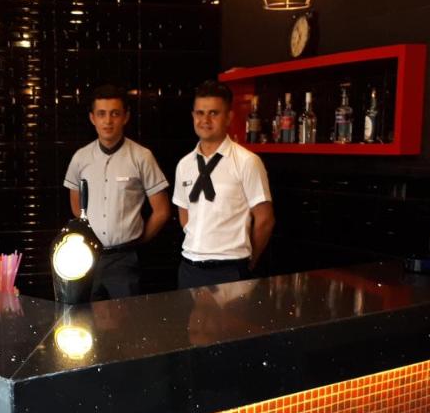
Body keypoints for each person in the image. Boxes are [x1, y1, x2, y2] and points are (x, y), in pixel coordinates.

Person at [63, 84, 171, 299]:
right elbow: (76, 205)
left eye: (115, 114)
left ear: (125, 117)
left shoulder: (142, 156)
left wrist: (137, 240)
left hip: (125, 259)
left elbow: (162, 211)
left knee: (127, 317)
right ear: (92, 118)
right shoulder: (80, 158)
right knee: (85, 315)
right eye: (101, 114)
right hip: (87, 256)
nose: (108, 121)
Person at [172, 80, 275, 290]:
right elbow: (184, 214)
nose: (205, 120)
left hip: (230, 270)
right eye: (200, 113)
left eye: (214, 113)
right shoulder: (184, 164)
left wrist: (247, 263)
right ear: (193, 116)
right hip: (189, 268)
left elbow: (265, 220)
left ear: (229, 117)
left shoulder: (247, 161)